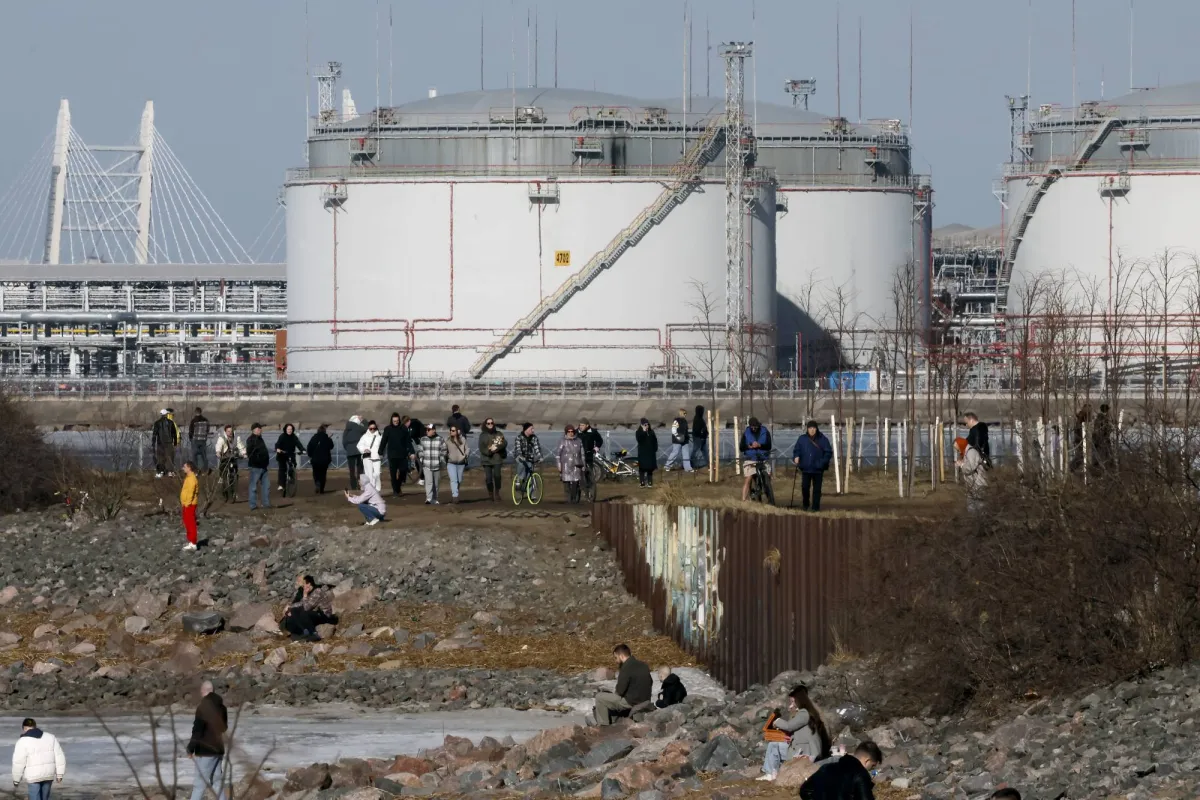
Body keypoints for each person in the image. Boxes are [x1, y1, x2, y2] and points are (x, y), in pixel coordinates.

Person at [757, 684, 832, 782]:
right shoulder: (806, 712)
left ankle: (770, 773)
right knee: (774, 745)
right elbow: (798, 730)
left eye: (793, 701)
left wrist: (777, 721)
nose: (791, 704)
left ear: (799, 700)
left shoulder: (804, 713)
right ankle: (771, 771)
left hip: (805, 752)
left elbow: (789, 726)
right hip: (801, 748)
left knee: (773, 745)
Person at [186, 681, 228, 800]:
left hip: (205, 751)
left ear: (203, 691)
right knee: (217, 783)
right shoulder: (222, 707)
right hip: (218, 749)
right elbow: (224, 728)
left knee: (199, 784)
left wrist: (190, 748)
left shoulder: (203, 707)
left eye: (201, 691)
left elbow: (197, 730)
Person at [799, 741, 882, 800]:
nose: (870, 769)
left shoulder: (826, 767)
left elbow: (804, 790)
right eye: (872, 766)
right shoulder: (861, 775)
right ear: (867, 761)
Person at [593, 644, 653, 726]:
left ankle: (603, 726)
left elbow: (620, 691)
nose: (616, 661)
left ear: (621, 656)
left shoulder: (626, 667)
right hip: (645, 700)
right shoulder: (643, 665)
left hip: (631, 702)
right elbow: (650, 682)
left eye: (616, 657)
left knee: (599, 697)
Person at [11, 718, 65, 800]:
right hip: (48, 774)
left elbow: (18, 762)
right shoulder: (51, 737)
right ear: (35, 726)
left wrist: (16, 780)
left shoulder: (22, 741)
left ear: (24, 728)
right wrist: (60, 774)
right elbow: (59, 756)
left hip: (33, 776)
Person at [792, 421, 834, 512]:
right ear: (807, 429)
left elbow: (828, 452)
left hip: (818, 469)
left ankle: (815, 507)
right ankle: (805, 505)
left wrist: (822, 463)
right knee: (805, 488)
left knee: (817, 490)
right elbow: (797, 450)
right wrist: (796, 456)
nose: (812, 430)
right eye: (810, 428)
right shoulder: (802, 439)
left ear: (816, 429)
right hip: (806, 468)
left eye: (814, 428)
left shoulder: (823, 439)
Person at [380, 413, 414, 496]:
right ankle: (395, 491)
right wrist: (380, 452)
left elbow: (408, 442)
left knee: (403, 471)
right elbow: (383, 441)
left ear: (399, 420)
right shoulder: (388, 429)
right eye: (394, 421)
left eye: (397, 421)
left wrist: (412, 452)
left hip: (402, 455)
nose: (396, 422)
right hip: (392, 456)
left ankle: (397, 487)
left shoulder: (403, 428)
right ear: (391, 421)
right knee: (393, 474)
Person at [740, 417, 772, 502]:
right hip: (751, 459)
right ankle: (744, 499)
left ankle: (770, 497)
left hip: (763, 458)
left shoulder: (765, 432)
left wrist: (760, 445)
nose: (754, 429)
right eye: (752, 427)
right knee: (748, 478)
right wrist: (748, 446)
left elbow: (769, 446)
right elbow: (741, 447)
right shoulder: (746, 433)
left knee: (768, 477)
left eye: (755, 427)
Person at [418, 423, 448, 505]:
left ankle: (435, 498)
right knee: (429, 482)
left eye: (429, 430)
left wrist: (440, 457)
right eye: (426, 430)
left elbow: (444, 450)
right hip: (427, 465)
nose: (427, 431)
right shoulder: (423, 439)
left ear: (434, 430)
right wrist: (422, 457)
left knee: (436, 483)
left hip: (437, 465)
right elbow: (420, 450)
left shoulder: (440, 439)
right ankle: (428, 498)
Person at [478, 418, 507, 502]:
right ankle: (490, 493)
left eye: (491, 423)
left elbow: (504, 443)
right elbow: (481, 447)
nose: (490, 424)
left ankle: (497, 493)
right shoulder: (482, 435)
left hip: (497, 458)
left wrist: (497, 448)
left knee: (497, 476)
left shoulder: (498, 433)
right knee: (488, 478)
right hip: (486, 459)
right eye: (488, 423)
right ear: (485, 425)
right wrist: (489, 452)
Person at [557, 424, 586, 503]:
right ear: (566, 432)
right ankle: (569, 500)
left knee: (576, 482)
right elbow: (558, 454)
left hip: (577, 465)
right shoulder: (562, 441)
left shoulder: (579, 441)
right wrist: (559, 465)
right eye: (569, 432)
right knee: (566, 484)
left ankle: (575, 498)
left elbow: (582, 454)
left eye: (572, 431)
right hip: (566, 465)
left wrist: (584, 465)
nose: (570, 433)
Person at [213, 425, 245, 497]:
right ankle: (224, 488)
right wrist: (218, 452)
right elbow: (218, 445)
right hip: (225, 457)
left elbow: (240, 446)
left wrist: (244, 453)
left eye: (231, 431)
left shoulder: (236, 438)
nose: (230, 433)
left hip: (233, 457)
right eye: (228, 431)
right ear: (225, 431)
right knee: (223, 473)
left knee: (234, 472)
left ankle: (233, 488)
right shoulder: (222, 438)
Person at [245, 423, 271, 510]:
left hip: (264, 467)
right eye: (258, 429)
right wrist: (257, 460)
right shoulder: (251, 439)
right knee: (253, 487)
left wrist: (266, 461)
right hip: (255, 467)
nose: (260, 430)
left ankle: (266, 504)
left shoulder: (260, 439)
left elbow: (263, 451)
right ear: (253, 430)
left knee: (266, 486)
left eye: (260, 429)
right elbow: (250, 453)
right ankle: (253, 505)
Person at [513, 423, 544, 494]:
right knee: (522, 465)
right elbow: (518, 448)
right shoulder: (519, 437)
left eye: (533, 429)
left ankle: (531, 494)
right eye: (531, 429)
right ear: (526, 429)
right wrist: (520, 456)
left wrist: (540, 457)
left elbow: (537, 448)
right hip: (520, 457)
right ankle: (519, 479)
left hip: (530, 457)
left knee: (530, 474)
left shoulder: (534, 438)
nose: (533, 430)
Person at [274, 423, 305, 492]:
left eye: (291, 429)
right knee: (282, 469)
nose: (289, 430)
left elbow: (298, 444)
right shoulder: (282, 436)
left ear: (292, 430)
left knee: (293, 465)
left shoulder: (294, 437)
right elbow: (277, 444)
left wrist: (302, 450)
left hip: (291, 454)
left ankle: (291, 477)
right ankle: (281, 485)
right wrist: (277, 449)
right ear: (285, 429)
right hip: (282, 454)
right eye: (288, 429)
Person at [305, 424, 335, 493]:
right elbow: (331, 446)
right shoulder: (327, 438)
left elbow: (309, 447)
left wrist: (310, 455)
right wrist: (329, 438)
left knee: (315, 473)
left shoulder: (314, 437)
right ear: (325, 431)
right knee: (323, 474)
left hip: (315, 460)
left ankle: (317, 483)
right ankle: (322, 489)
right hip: (325, 460)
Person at [152, 408, 181, 478]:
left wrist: (153, 443)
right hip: (169, 443)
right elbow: (174, 433)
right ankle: (170, 472)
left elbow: (154, 434)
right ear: (166, 414)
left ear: (160, 414)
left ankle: (160, 472)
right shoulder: (171, 422)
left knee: (160, 458)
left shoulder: (157, 423)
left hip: (160, 443)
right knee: (170, 457)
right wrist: (175, 443)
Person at [578, 419, 603, 498]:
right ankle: (576, 486)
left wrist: (596, 448)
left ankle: (590, 488)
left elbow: (599, 441)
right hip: (578, 455)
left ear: (587, 425)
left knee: (589, 473)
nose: (580, 427)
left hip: (589, 454)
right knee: (578, 471)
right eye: (580, 425)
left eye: (582, 425)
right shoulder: (577, 432)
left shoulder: (593, 432)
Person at [357, 420, 383, 492]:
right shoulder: (365, 436)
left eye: (374, 428)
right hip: (367, 457)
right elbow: (359, 445)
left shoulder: (379, 436)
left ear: (376, 428)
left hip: (377, 457)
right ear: (368, 428)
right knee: (369, 475)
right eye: (370, 428)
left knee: (377, 474)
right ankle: (371, 491)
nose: (372, 430)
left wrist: (381, 454)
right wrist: (364, 449)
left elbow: (383, 446)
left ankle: (377, 489)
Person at [342, 415, 367, 491]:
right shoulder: (359, 427)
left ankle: (353, 486)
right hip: (359, 450)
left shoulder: (347, 428)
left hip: (350, 451)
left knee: (351, 470)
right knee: (360, 469)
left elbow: (344, 441)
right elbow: (367, 428)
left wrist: (348, 449)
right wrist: (363, 420)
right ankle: (360, 485)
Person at [446, 425, 469, 502]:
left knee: (459, 480)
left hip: (461, 463)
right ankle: (455, 496)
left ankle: (456, 493)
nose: (451, 432)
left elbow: (467, 448)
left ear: (457, 431)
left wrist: (465, 455)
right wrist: (446, 457)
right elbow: (444, 450)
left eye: (453, 430)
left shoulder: (463, 439)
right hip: (451, 463)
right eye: (450, 430)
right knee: (454, 480)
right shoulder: (448, 440)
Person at [180, 461, 200, 552]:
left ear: (189, 468)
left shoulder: (192, 478)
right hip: (186, 503)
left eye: (185, 467)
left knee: (190, 523)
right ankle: (191, 541)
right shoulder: (188, 477)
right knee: (187, 522)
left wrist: (187, 503)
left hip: (190, 504)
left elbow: (191, 492)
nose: (183, 468)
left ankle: (193, 542)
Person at [635, 418, 658, 487]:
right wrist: (644, 432)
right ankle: (642, 482)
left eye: (647, 424)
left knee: (650, 468)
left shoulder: (651, 432)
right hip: (642, 453)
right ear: (641, 425)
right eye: (645, 425)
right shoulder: (638, 432)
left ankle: (650, 482)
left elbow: (655, 440)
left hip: (650, 452)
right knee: (642, 468)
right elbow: (639, 440)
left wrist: (655, 449)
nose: (646, 426)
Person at [188, 407, 211, 475]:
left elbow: (191, 431)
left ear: (195, 412)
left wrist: (190, 438)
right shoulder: (206, 420)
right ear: (201, 412)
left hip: (195, 440)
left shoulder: (193, 420)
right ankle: (205, 470)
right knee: (204, 456)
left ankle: (196, 471)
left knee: (194, 456)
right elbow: (208, 430)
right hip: (203, 440)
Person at [1092, 402, 1114, 471]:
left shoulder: (1098, 419)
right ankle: (1105, 470)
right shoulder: (1104, 419)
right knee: (1105, 456)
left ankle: (1099, 469)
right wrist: (1110, 429)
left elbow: (1096, 430)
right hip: (1103, 440)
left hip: (1098, 440)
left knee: (1099, 456)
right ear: (1106, 411)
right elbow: (1104, 430)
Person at [406, 416, 426, 485]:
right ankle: (422, 477)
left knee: (419, 461)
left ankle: (422, 478)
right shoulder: (414, 425)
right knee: (417, 461)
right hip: (414, 445)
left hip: (418, 445)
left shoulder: (416, 425)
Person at [691, 405, 709, 470]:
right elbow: (697, 430)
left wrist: (705, 433)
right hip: (698, 438)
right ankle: (691, 463)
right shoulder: (698, 419)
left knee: (704, 451)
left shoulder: (699, 418)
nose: (703, 412)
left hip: (702, 438)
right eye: (702, 411)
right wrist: (702, 435)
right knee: (696, 451)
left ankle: (709, 464)